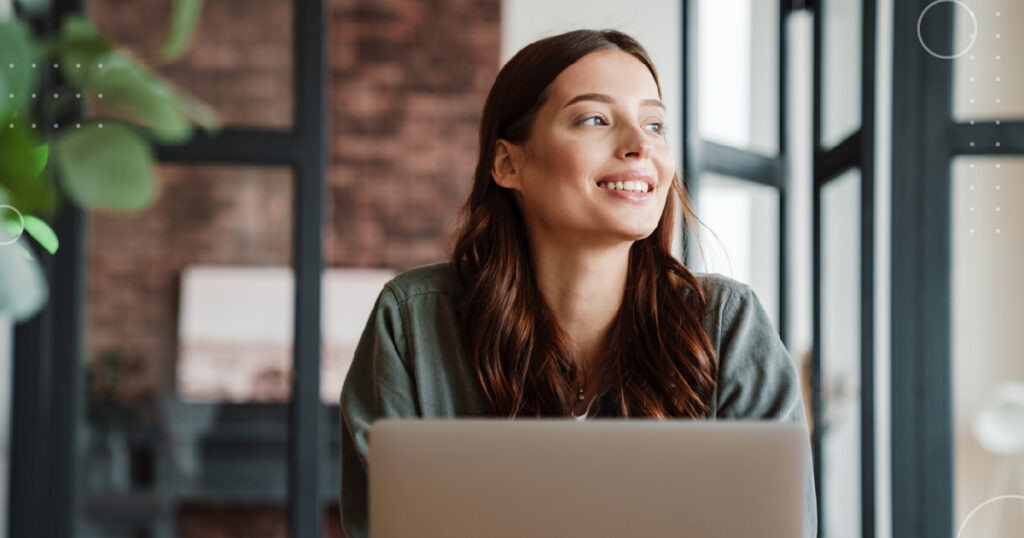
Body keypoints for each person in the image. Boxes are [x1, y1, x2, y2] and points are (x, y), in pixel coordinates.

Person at [339, 29, 817, 538]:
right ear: (508, 163)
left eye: (655, 125)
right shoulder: (412, 322)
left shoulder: (727, 325)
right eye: (595, 119)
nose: (640, 146)